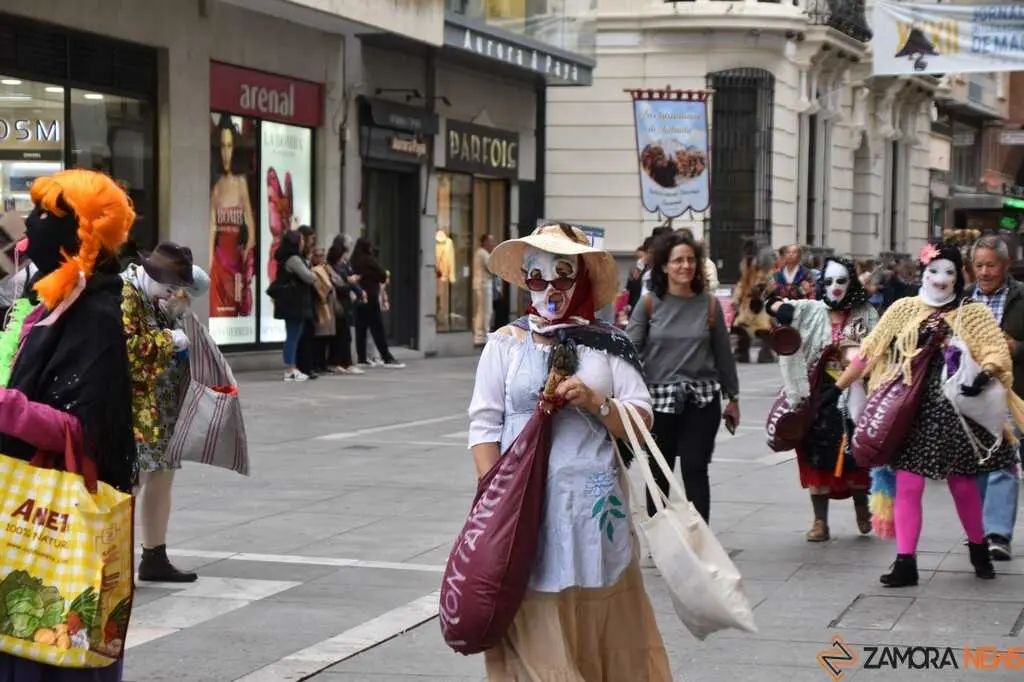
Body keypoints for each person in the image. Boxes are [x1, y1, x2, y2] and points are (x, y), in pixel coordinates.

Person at [469, 223, 671, 680]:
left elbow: (641, 421)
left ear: (580, 277)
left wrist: (597, 403)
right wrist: (493, 493)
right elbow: (483, 422)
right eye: (537, 277)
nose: (549, 289)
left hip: (592, 507)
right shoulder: (505, 343)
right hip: (522, 509)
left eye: (562, 275)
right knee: (530, 606)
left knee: (595, 607)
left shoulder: (610, 345)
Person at [0, 169, 136, 682]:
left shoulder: (97, 315)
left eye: (49, 215)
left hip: (54, 525)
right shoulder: (50, 305)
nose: (31, 229)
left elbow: (84, 429)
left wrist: (5, 406)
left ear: (84, 231)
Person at [833, 242, 1024, 587]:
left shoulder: (972, 312)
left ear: (959, 276)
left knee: (963, 484)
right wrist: (838, 387)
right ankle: (906, 561)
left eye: (949, 272)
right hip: (910, 412)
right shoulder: (904, 309)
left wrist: (987, 371)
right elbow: (870, 350)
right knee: (908, 483)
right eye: (934, 271)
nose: (940, 278)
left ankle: (979, 547)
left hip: (956, 415)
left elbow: (996, 350)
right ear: (923, 272)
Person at [626, 231, 740, 525]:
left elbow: (724, 356)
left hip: (701, 400)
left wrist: (733, 398)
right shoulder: (649, 304)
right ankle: (662, 536)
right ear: (664, 266)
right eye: (678, 260)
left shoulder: (710, 305)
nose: (685, 266)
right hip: (658, 400)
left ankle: (699, 536)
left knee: (695, 466)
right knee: (658, 470)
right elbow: (629, 351)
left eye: (691, 260)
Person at [766, 257, 879, 541]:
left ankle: (862, 508)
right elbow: (771, 302)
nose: (835, 287)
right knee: (814, 456)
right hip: (816, 395)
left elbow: (878, 350)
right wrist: (780, 308)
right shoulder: (812, 310)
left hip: (855, 394)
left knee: (856, 455)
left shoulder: (865, 314)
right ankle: (820, 522)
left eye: (841, 281)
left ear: (851, 282)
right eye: (828, 282)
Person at [121, 242, 197, 582]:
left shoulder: (150, 297)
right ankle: (115, 560)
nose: (174, 291)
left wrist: (172, 315)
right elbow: (128, 350)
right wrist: (171, 339)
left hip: (161, 407)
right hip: (137, 408)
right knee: (132, 483)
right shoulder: (126, 295)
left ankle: (155, 555)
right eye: (170, 284)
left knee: (162, 479)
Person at [968, 235, 1024, 561]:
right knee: (976, 462)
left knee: (1003, 460)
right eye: (979, 265)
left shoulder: (1020, 297)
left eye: (991, 265)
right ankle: (979, 527)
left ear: (1005, 266)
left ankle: (997, 533)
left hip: (1010, 393)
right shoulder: (963, 301)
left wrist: (1017, 348)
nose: (985, 272)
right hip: (971, 395)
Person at [272, 230, 316, 381]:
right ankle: (290, 369)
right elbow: (309, 277)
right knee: (293, 335)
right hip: (294, 303)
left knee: (294, 335)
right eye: (301, 240)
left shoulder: (285, 258)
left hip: (289, 302)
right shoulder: (294, 259)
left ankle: (292, 367)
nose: (303, 243)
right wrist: (313, 271)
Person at [473, 233, 496, 345]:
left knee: (482, 311)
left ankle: (480, 335)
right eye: (491, 241)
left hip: (482, 284)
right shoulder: (483, 253)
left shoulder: (481, 253)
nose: (493, 243)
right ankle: (483, 335)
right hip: (484, 284)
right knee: (486, 310)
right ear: (485, 242)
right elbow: (492, 267)